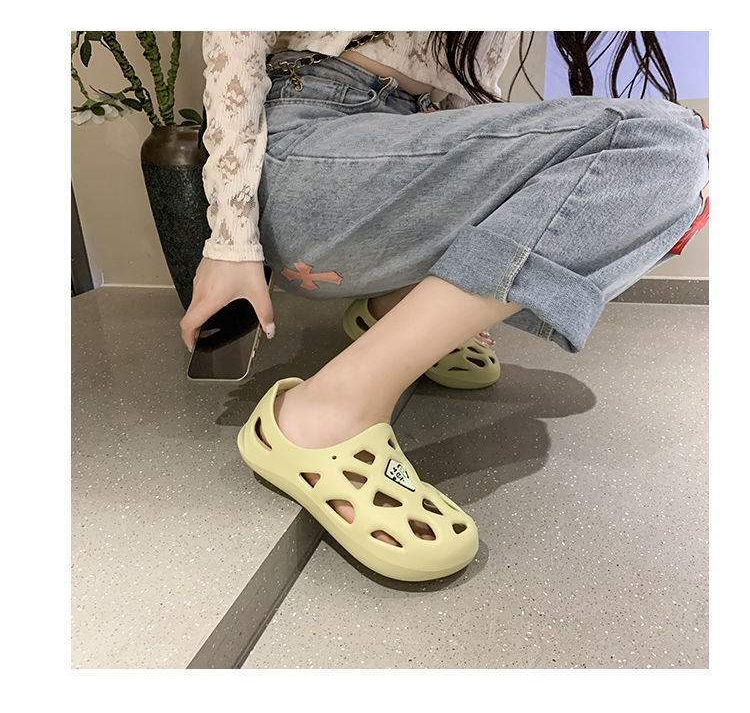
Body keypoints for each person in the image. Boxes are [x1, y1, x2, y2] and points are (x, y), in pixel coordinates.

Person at [179, 31, 709, 581]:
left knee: (679, 150)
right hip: (309, 143)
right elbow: (236, 38)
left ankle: (396, 304)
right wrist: (230, 239)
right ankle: (327, 410)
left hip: (403, 145)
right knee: (662, 141)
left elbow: (466, 99)